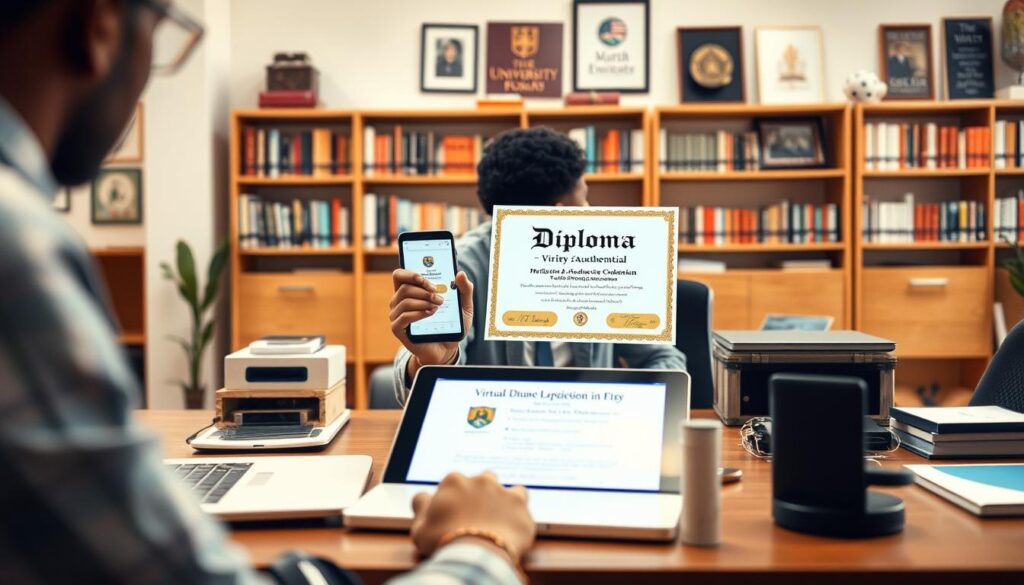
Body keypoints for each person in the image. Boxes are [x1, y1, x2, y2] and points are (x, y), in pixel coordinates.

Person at [0, 1, 532, 584]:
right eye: (161, 35)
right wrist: (481, 545)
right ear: (99, 25)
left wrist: (438, 361)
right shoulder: (16, 241)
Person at [389, 128, 687, 404]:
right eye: (584, 199)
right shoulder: (463, 268)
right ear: (556, 215)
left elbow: (665, 361)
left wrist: (621, 404)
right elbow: (414, 380)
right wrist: (434, 362)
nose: (589, 210)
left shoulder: (605, 262)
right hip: (493, 426)